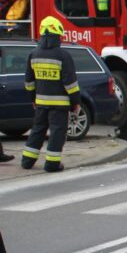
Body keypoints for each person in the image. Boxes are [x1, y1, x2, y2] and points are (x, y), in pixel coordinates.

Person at [21, 16, 80, 172]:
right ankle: (52, 164)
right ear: (57, 34)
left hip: (41, 103)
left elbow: (28, 82)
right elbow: (71, 85)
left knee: (37, 129)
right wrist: (75, 103)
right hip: (60, 106)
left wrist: (33, 99)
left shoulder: (33, 54)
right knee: (57, 132)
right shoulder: (63, 56)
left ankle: (27, 161)